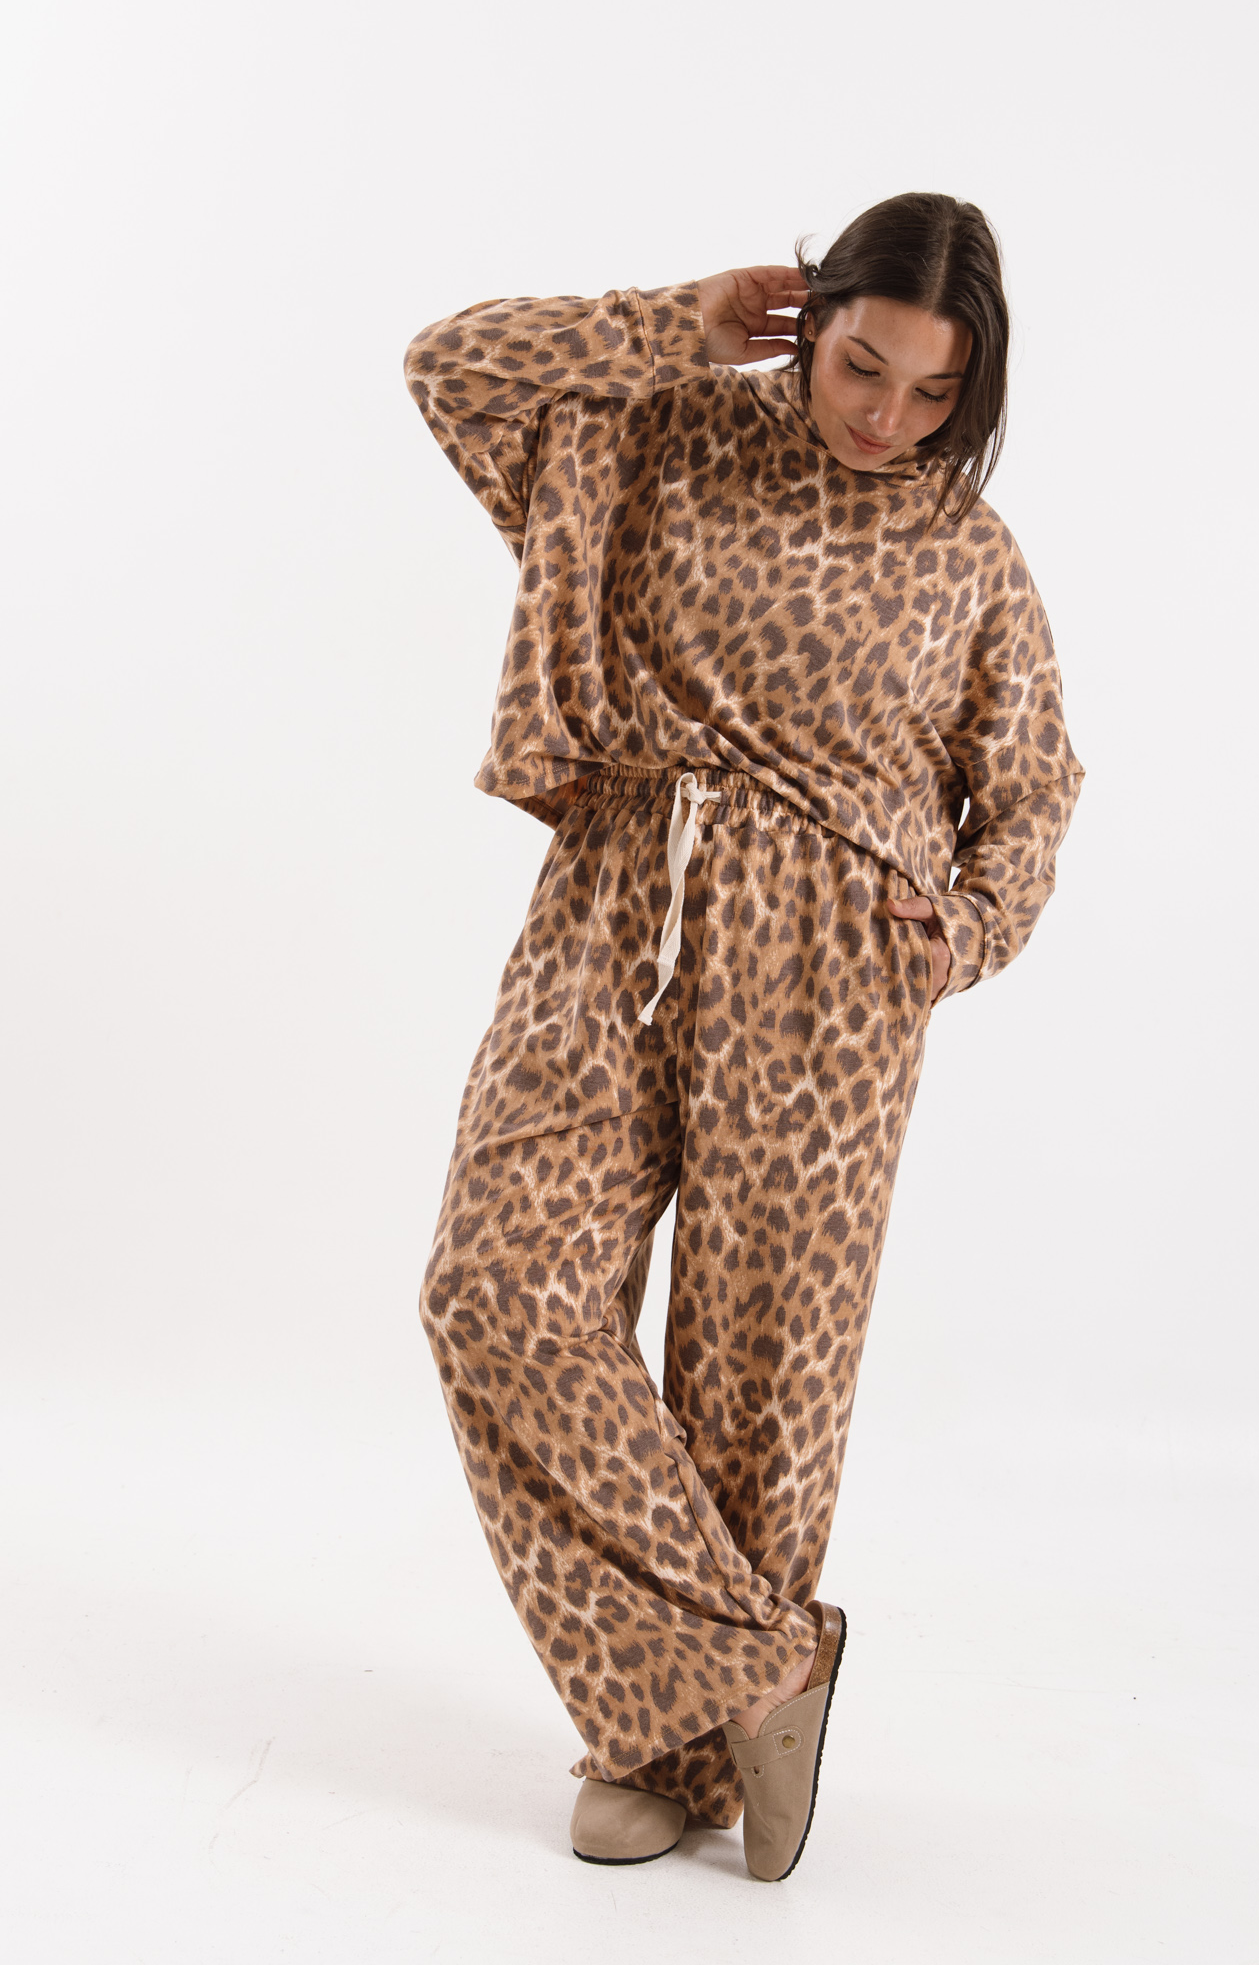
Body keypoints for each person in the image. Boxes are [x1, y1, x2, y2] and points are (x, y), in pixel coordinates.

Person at [403, 192, 1084, 1881]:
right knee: (496, 1288)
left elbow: (1033, 785)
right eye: (861, 366)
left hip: (833, 961)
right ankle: (757, 1672)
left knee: (759, 1374)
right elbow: (449, 369)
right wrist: (666, 324)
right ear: (809, 319)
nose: (887, 416)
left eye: (933, 393)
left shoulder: (966, 554)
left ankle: (676, 1753)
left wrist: (969, 929)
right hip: (617, 894)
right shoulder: (657, 433)